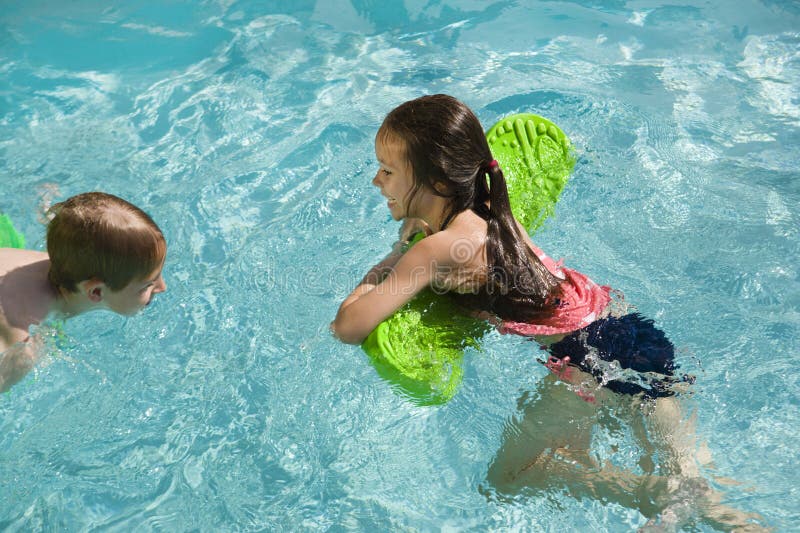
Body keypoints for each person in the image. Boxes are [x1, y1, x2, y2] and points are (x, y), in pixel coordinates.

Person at [332, 94, 764, 529]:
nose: (376, 181)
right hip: (631, 329)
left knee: (509, 479)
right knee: (695, 479)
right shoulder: (491, 209)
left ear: (439, 183)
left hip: (587, 361)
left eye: (388, 171)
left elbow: (349, 326)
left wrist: (390, 260)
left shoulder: (435, 250)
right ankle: (706, 503)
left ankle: (645, 492)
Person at [0, 192, 167, 393]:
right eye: (147, 285)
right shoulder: (23, 349)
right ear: (96, 292)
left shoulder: (71, 254)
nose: (162, 287)